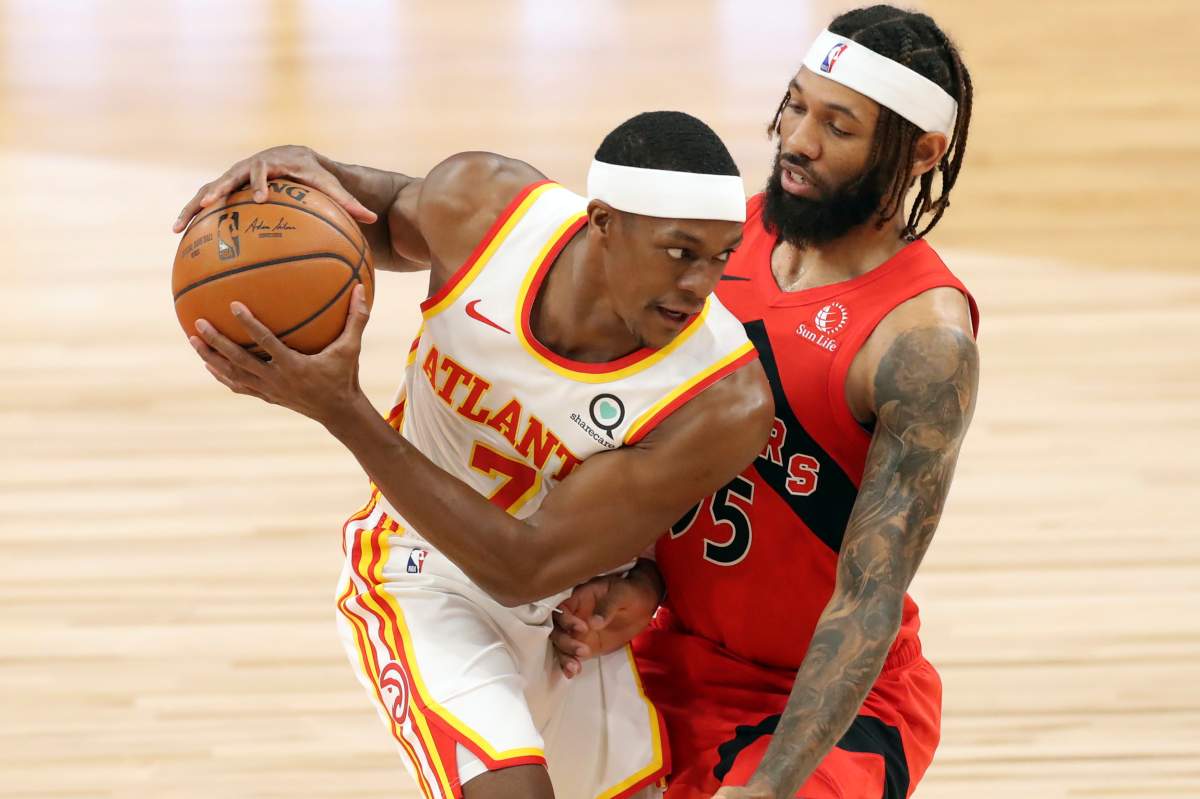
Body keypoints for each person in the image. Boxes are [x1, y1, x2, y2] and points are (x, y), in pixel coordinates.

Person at [174, 111, 774, 799]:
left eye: (722, 256)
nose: (701, 284)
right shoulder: (486, 206)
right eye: (680, 252)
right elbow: (383, 213)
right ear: (603, 221)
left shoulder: (722, 400)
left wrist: (342, 408)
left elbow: (525, 566)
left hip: (563, 614)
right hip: (419, 574)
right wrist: (297, 184)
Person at [551, 7, 980, 799]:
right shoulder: (719, 243)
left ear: (921, 152)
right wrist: (641, 581)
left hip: (826, 703)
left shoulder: (920, 340)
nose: (797, 140)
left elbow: (869, 597)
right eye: (796, 106)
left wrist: (772, 785)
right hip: (665, 651)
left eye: (837, 126)